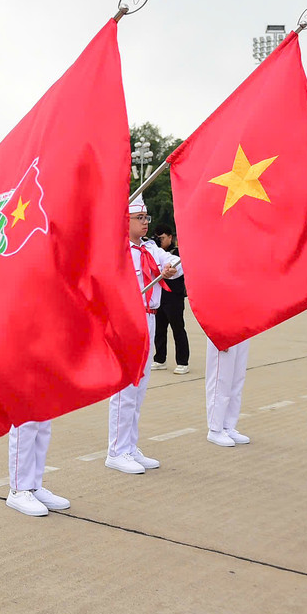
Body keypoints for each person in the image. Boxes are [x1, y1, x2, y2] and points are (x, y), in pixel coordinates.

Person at [106, 197, 182, 475]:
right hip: (127, 319)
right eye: (140, 217)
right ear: (125, 221)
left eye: (147, 217)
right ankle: (116, 450)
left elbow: (171, 263)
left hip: (149, 317)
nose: (145, 222)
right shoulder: (117, 250)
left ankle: (129, 445)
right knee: (125, 388)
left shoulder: (150, 248)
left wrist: (171, 267)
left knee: (139, 388)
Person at [151, 225, 190, 374]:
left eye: (161, 238)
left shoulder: (178, 253)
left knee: (178, 329)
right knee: (159, 330)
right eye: (157, 238)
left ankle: (182, 361)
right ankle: (160, 359)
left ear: (170, 237)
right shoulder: (155, 253)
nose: (158, 241)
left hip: (174, 297)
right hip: (160, 296)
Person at [206, 339, 251, 447]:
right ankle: (215, 429)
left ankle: (228, 426)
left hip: (241, 324)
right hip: (222, 325)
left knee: (237, 377)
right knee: (221, 376)